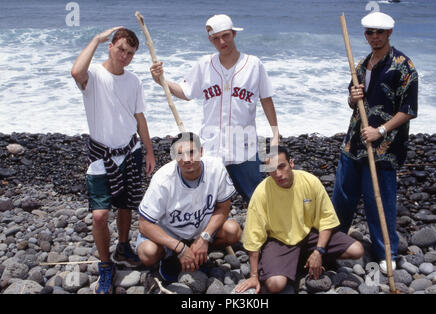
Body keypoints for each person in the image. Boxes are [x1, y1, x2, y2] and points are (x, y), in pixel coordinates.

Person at [149, 14, 280, 204]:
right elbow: (186, 92)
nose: (221, 42)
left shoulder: (253, 64)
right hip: (211, 148)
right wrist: (160, 81)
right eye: (215, 38)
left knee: (257, 200)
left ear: (234, 34)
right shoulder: (204, 65)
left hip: (245, 147)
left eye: (225, 35)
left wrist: (275, 133)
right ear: (210, 40)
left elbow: (266, 99)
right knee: (209, 202)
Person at [332, 11, 418, 274]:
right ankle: (331, 244)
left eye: (379, 32)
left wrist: (380, 130)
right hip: (353, 144)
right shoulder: (360, 65)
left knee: (379, 199)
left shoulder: (404, 66)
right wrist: (352, 96)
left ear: (389, 33)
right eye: (370, 32)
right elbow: (352, 102)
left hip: (384, 149)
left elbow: (409, 110)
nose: (374, 37)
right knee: (342, 198)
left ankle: (386, 253)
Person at [71, 27, 156, 294]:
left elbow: (139, 117)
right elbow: (76, 72)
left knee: (126, 205)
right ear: (110, 46)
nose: (125, 56)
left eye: (130, 53)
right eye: (121, 49)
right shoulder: (94, 75)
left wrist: (150, 152)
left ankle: (122, 247)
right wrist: (95, 39)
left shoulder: (134, 81)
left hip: (131, 151)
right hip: (101, 155)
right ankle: (106, 264)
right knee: (99, 215)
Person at [235, 146, 364, 294]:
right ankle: (290, 262)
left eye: (281, 166)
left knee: (357, 250)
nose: (277, 174)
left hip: (309, 235)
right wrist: (253, 276)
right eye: (271, 169)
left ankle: (305, 259)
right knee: (275, 285)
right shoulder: (261, 192)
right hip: (280, 241)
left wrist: (318, 251)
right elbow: (253, 236)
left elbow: (326, 219)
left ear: (291, 163)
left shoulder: (310, 181)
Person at [137, 132, 242, 281]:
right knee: (148, 253)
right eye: (180, 154)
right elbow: (144, 224)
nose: (186, 159)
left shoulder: (216, 168)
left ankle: (197, 253)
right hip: (170, 234)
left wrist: (204, 238)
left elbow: (223, 207)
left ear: (202, 151)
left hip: (200, 231)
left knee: (233, 231)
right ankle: (173, 257)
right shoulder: (162, 179)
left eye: (191, 152)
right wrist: (179, 247)